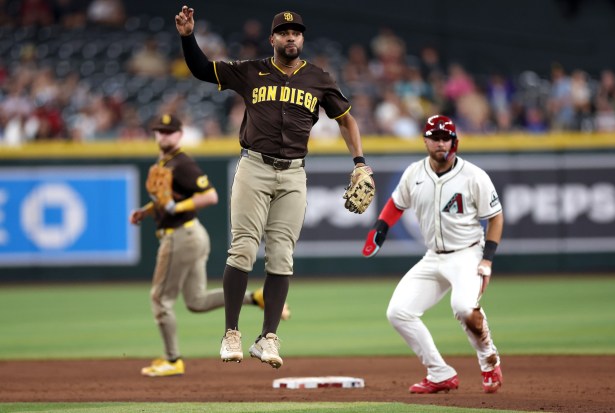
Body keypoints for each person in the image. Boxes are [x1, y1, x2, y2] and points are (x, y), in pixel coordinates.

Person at [175, 6, 373, 369]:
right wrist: (188, 37)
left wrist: (360, 162)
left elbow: (346, 121)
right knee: (243, 250)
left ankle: (267, 338)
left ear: (303, 38)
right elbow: (202, 69)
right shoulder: (252, 70)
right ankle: (231, 332)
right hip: (254, 167)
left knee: (282, 256)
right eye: (284, 32)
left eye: (296, 32)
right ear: (273, 39)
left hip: (294, 174)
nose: (291, 37)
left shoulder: (318, 78)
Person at [130, 113, 289, 377]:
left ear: (180, 135)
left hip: (180, 236)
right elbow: (166, 197)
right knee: (196, 301)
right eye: (160, 131)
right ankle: (255, 297)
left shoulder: (181, 163)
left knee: (160, 299)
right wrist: (147, 211)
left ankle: (172, 360)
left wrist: (175, 206)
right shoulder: (165, 162)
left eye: (169, 131)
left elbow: (210, 195)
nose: (163, 135)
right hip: (190, 236)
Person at [362, 115, 504, 394]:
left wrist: (487, 259)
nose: (440, 143)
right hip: (433, 257)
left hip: (467, 254)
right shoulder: (414, 173)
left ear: (454, 142)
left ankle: (489, 358)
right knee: (398, 312)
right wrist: (380, 228)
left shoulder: (474, 176)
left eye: (445, 138)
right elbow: (395, 204)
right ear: (425, 141)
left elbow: (496, 218)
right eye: (435, 138)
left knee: (463, 308)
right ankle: (440, 372)